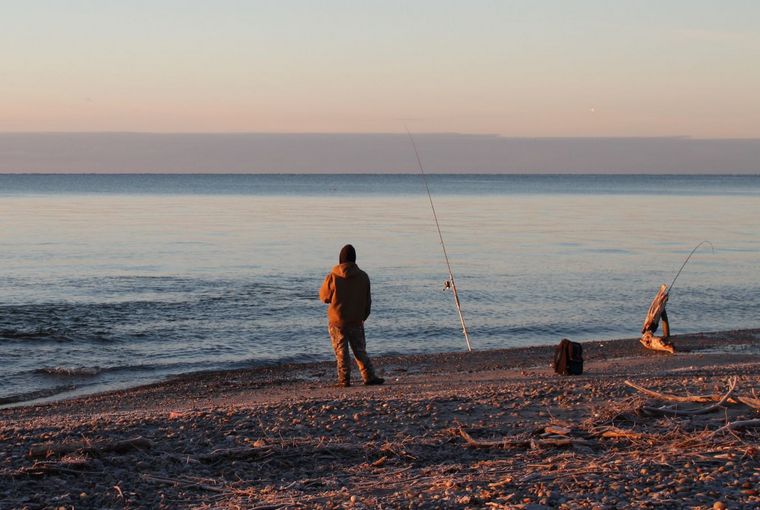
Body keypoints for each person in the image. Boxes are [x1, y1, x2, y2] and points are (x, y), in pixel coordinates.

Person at [319, 244, 384, 387]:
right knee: (360, 351)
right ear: (354, 259)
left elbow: (324, 297)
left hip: (337, 321)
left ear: (340, 259)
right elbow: (367, 301)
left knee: (341, 352)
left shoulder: (332, 277)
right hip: (356, 320)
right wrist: (363, 316)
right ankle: (369, 376)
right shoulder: (363, 276)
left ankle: (344, 380)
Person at [640, 283, 674, 353]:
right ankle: (666, 337)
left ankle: (666, 337)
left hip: (651, 325)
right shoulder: (648, 336)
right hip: (651, 325)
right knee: (659, 310)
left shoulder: (648, 334)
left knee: (659, 310)